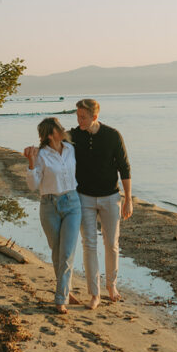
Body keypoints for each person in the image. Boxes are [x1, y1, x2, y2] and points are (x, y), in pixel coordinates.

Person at [70, 98, 132, 310]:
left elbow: (124, 168)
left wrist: (128, 199)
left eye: (83, 117)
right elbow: (53, 144)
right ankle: (94, 293)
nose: (79, 120)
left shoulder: (112, 135)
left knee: (112, 244)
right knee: (89, 244)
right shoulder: (74, 136)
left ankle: (111, 286)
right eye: (77, 116)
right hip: (84, 197)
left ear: (95, 116)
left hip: (110, 197)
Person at [24, 117, 81, 314]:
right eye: (59, 128)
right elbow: (33, 186)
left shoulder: (70, 149)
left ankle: (60, 299)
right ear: (50, 134)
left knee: (66, 252)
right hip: (49, 206)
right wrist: (31, 162)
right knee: (57, 252)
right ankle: (66, 292)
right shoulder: (40, 155)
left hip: (72, 203)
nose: (63, 129)